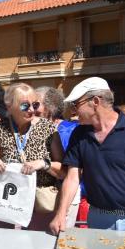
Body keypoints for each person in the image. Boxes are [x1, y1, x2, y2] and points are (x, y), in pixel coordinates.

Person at [50, 77, 125, 233]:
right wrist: (61, 213)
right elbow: (73, 177)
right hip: (97, 219)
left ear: (95, 101)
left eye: (76, 105)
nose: (73, 111)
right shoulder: (79, 134)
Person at [0, 83, 65, 231]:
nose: (31, 110)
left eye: (34, 105)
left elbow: (64, 171)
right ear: (9, 106)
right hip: (8, 203)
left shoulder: (48, 129)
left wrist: (44, 164)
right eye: (24, 106)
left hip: (40, 203)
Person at [34, 86, 81, 228]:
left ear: (50, 107)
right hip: (40, 199)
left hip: (65, 198)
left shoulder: (71, 130)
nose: (30, 108)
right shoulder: (31, 129)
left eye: (36, 104)